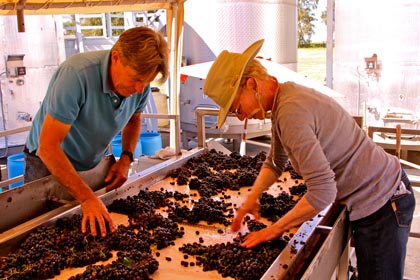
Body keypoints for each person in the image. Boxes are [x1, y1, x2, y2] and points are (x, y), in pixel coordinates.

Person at [203, 39, 415, 280]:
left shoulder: (291, 111)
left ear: (251, 84)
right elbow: (275, 161)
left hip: (383, 203)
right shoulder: (285, 97)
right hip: (379, 196)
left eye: (236, 108)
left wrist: (274, 230)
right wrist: (251, 199)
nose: (241, 118)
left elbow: (323, 191)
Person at [24, 26, 170, 237]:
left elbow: (134, 119)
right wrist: (86, 198)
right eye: (135, 79)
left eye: (146, 81)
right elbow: (48, 148)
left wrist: (126, 159)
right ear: (116, 58)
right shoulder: (76, 75)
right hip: (47, 164)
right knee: (42, 236)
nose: (140, 89)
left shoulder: (140, 84)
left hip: (91, 163)